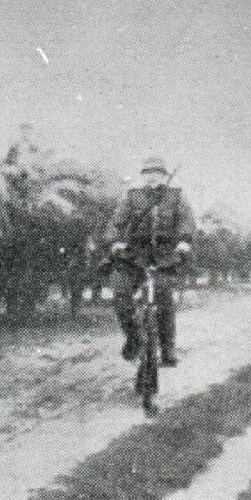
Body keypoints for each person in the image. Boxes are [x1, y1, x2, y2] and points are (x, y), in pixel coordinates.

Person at [103, 156, 196, 367]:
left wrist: (183, 242)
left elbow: (186, 222)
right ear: (142, 177)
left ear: (164, 176)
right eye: (147, 173)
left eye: (157, 172)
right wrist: (115, 242)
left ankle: (168, 348)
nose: (152, 176)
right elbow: (116, 222)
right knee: (120, 294)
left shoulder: (176, 197)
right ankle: (133, 337)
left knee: (164, 298)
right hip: (134, 255)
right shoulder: (132, 197)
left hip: (165, 255)